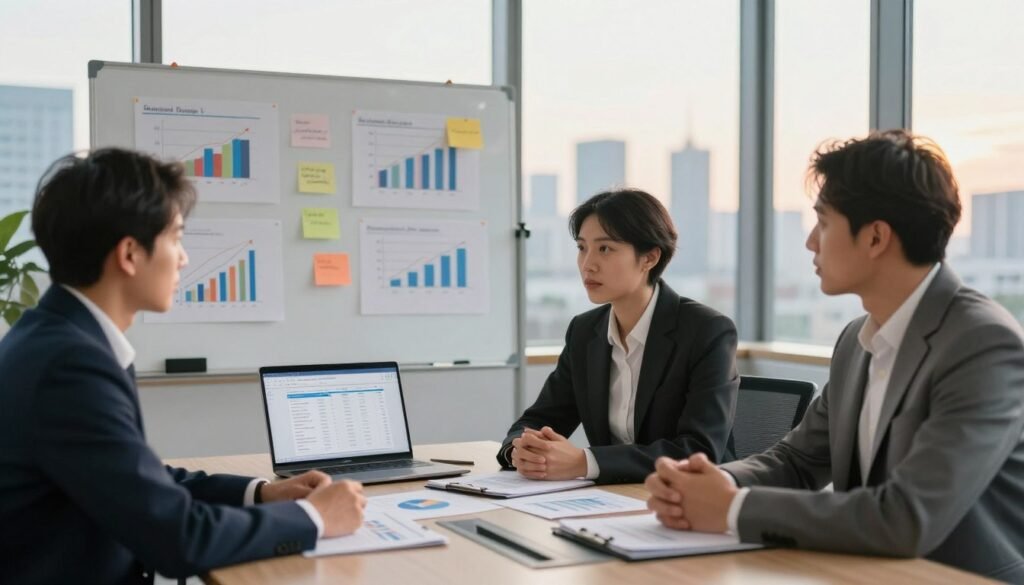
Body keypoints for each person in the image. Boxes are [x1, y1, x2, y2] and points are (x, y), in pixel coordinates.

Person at [645, 130, 1024, 582]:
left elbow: (908, 518)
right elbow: (798, 461)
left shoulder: (981, 343)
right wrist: (710, 483)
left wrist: (730, 508)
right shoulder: (855, 340)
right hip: (861, 570)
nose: (810, 242)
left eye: (823, 222)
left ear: (876, 237)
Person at [0, 148, 367, 585]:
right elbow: (178, 538)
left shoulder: (60, 337)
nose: (184, 258)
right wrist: (313, 518)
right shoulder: (70, 365)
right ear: (130, 254)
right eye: (175, 237)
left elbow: (138, 480)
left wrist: (263, 494)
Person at [497, 188, 739, 484]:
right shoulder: (585, 332)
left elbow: (698, 450)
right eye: (582, 247)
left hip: (687, 498)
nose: (588, 264)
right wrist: (520, 451)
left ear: (649, 258)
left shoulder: (706, 331)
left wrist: (584, 462)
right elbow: (539, 419)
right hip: (610, 499)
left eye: (605, 249)